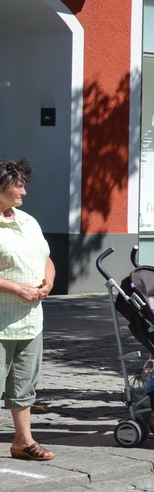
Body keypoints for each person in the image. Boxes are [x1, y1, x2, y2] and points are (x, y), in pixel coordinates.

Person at [0, 159, 54, 462]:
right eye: (18, 185)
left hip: (30, 320)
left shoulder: (27, 221)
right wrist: (17, 288)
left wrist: (48, 284)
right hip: (1, 320)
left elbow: (46, 257)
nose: (24, 191)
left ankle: (23, 441)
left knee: (23, 385)